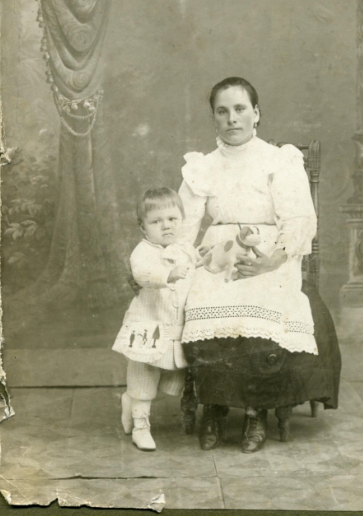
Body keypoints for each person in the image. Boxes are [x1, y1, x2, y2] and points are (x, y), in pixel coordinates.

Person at [179, 77, 340, 453]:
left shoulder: (278, 160)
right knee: (203, 299)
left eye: (240, 109)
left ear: (256, 113)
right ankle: (215, 408)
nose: (232, 118)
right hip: (218, 254)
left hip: (271, 254)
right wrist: (183, 262)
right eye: (222, 111)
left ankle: (256, 412)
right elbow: (183, 228)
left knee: (262, 303)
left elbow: (299, 219)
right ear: (214, 118)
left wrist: (273, 261)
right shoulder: (203, 166)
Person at [112, 187, 198, 451]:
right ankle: (141, 426)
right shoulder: (143, 251)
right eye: (156, 221)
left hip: (174, 327)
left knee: (171, 380)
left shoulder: (186, 249)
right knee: (144, 376)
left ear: (182, 220)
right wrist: (167, 275)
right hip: (148, 324)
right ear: (143, 227)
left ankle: (129, 401)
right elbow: (142, 274)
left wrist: (209, 260)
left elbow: (198, 269)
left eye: (172, 219)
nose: (166, 226)